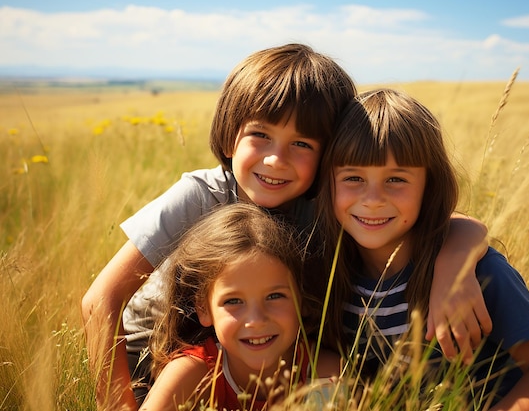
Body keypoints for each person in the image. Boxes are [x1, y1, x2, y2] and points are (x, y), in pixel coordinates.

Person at [81, 44, 490, 411]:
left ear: (329, 156)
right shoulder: (201, 195)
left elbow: (446, 222)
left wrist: (455, 260)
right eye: (260, 135)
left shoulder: (325, 203)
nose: (276, 160)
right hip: (150, 364)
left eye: (302, 144)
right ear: (229, 139)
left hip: (262, 360)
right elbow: (101, 299)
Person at [317, 88, 529, 410]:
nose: (373, 199)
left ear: (429, 187)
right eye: (353, 178)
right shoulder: (331, 274)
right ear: (327, 183)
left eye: (396, 180)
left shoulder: (481, 272)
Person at [140, 203, 340, 411]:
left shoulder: (324, 374)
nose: (256, 320)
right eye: (233, 301)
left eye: (274, 296)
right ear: (204, 309)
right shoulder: (191, 374)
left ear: (302, 300)